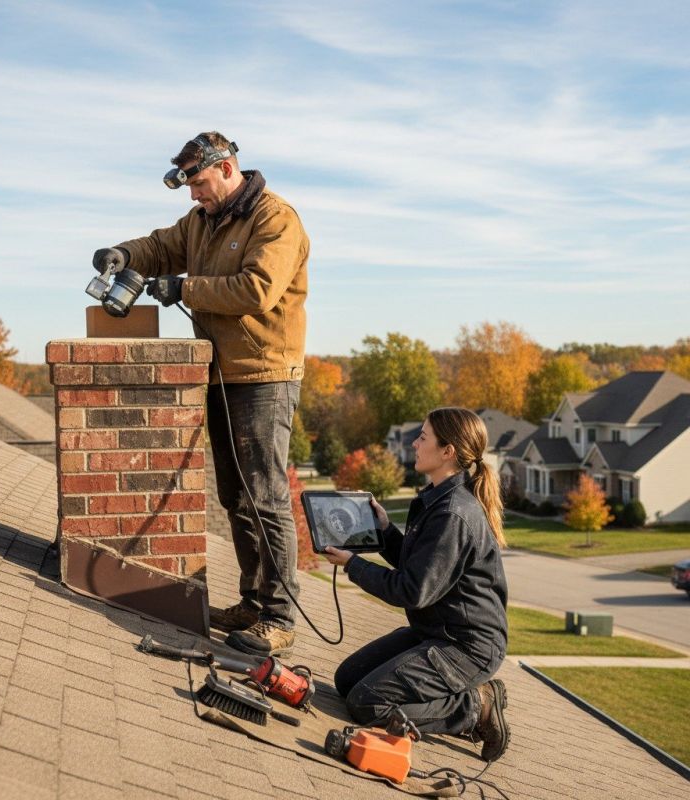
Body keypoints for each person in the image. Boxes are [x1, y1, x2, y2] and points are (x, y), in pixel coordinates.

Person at [93, 132, 309, 657]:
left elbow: (257, 289)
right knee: (235, 497)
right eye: (189, 186)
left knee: (266, 497)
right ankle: (253, 602)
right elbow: (162, 246)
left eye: (201, 184)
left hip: (265, 375)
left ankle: (280, 616)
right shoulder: (202, 222)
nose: (194, 196)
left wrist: (183, 288)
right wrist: (123, 253)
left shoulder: (275, 218)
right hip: (221, 373)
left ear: (228, 168)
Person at [323, 407, 511, 762]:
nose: (414, 443)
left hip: (467, 646)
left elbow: (411, 590)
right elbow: (422, 570)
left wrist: (353, 564)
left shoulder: (453, 513)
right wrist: (384, 530)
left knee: (367, 702)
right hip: (437, 633)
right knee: (348, 680)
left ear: (447, 452)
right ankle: (466, 703)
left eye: (423, 437)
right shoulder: (436, 499)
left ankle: (476, 708)